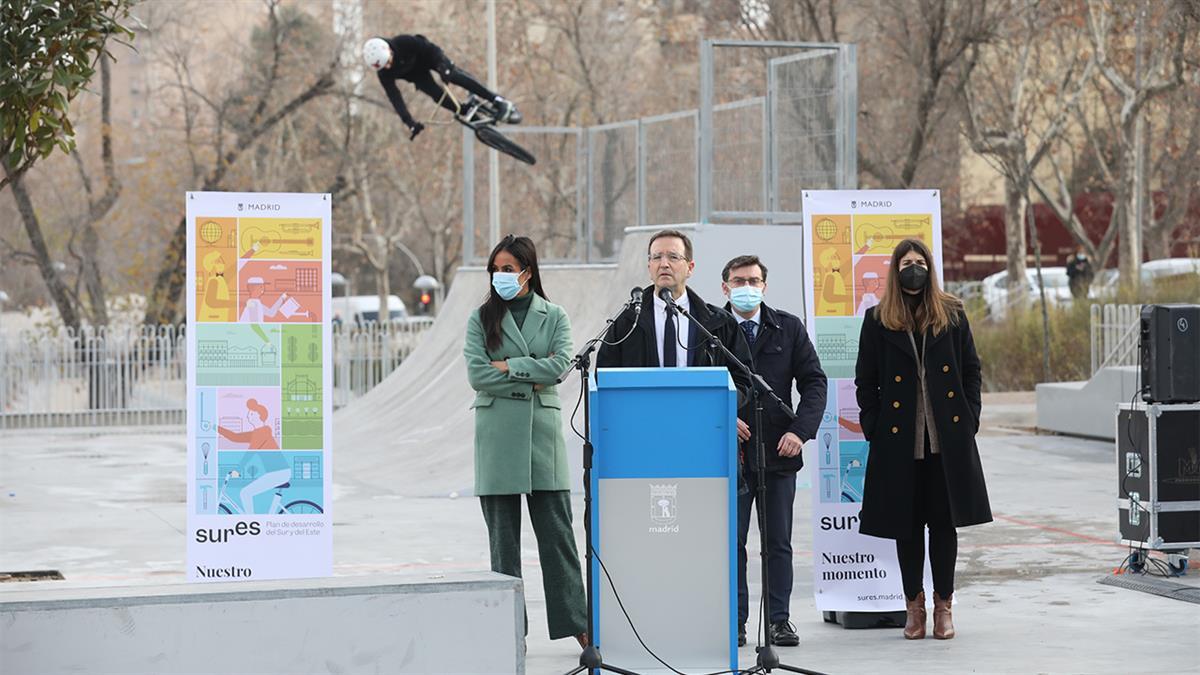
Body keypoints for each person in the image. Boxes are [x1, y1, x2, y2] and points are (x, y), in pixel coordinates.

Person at [854, 238, 992, 641]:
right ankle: (913, 606)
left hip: (945, 438)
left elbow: (971, 370)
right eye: (906, 262)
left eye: (919, 262)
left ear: (929, 267)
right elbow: (867, 382)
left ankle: (944, 607)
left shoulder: (951, 313)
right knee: (907, 527)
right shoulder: (878, 318)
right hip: (899, 442)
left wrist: (970, 420)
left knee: (944, 525)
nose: (913, 268)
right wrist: (874, 426)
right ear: (895, 270)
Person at [462, 234, 588, 648]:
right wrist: (528, 378)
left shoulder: (554, 315)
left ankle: (578, 623)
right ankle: (510, 629)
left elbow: (559, 367)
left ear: (527, 272)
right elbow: (478, 375)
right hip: (497, 436)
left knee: (558, 537)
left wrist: (511, 366)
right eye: (495, 270)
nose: (500, 276)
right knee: (503, 542)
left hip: (541, 437)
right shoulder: (480, 319)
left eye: (508, 269)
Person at [721, 255, 827, 648]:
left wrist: (800, 432)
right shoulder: (712, 330)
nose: (746, 286)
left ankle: (779, 621)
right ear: (725, 287)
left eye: (753, 280)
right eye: (738, 280)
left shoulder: (788, 327)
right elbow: (699, 382)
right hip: (727, 454)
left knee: (777, 543)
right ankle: (735, 622)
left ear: (764, 285)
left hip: (779, 454)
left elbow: (814, 383)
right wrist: (722, 417)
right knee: (732, 542)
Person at [596, 229, 753, 404]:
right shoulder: (627, 321)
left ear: (690, 268)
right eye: (657, 257)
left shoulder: (719, 322)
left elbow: (743, 380)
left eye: (673, 257)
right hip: (642, 421)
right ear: (649, 267)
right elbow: (604, 377)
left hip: (700, 421)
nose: (664, 264)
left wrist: (723, 407)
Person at [363, 35, 521, 141]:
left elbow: (431, 49)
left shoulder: (403, 42)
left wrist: (443, 66)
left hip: (430, 58)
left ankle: (497, 100)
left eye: (389, 61)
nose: (390, 66)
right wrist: (409, 122)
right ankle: (468, 112)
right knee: (437, 96)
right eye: (385, 66)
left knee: (453, 76)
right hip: (417, 75)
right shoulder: (384, 73)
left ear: (389, 50)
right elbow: (395, 97)